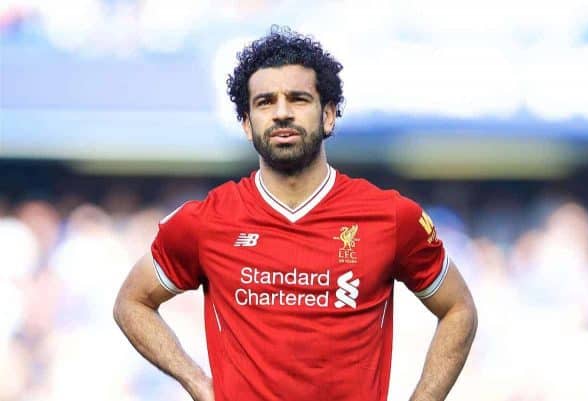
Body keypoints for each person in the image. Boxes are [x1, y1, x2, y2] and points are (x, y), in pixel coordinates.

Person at [113, 26, 477, 401]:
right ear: (246, 123)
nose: (282, 113)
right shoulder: (206, 222)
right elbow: (132, 302)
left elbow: (458, 308)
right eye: (265, 102)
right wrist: (199, 385)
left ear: (329, 115)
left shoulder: (391, 217)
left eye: (298, 99)